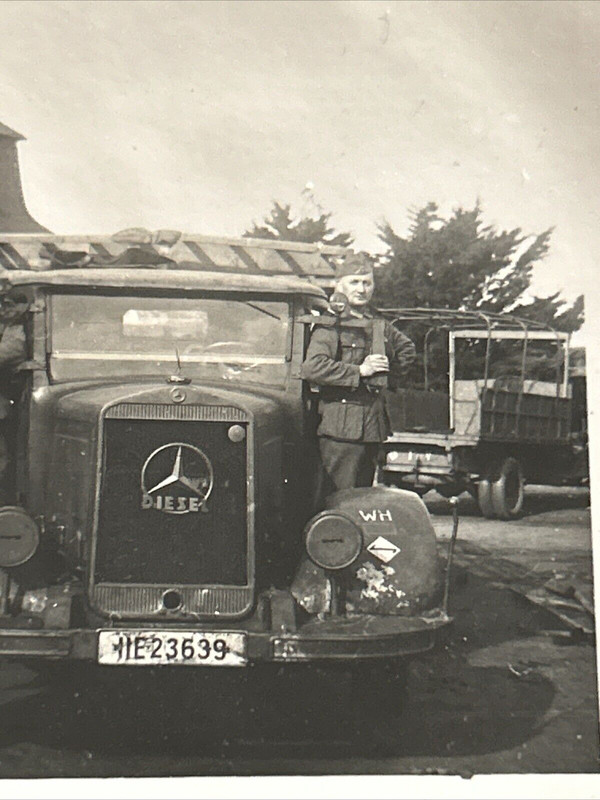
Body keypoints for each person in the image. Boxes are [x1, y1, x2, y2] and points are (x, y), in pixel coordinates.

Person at [301, 252, 415, 495]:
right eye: (354, 282)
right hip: (341, 431)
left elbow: (407, 349)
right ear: (339, 285)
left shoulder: (377, 323)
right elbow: (313, 367)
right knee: (339, 499)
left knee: (362, 501)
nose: (362, 289)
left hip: (373, 427)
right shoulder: (332, 324)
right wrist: (361, 371)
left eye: (367, 282)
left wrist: (385, 373)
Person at [0, 292, 28, 503]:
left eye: (8, 305)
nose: (4, 310)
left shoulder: (18, 328)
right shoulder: (12, 326)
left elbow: (10, 352)